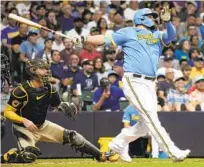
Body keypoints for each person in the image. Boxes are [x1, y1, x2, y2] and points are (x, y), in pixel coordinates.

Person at [72, 6, 190, 162]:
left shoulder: (156, 34)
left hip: (150, 83)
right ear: (141, 18)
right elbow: (104, 38)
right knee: (151, 118)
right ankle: (173, 151)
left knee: (145, 124)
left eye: (155, 17)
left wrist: (167, 22)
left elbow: (171, 36)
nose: (154, 19)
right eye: (151, 16)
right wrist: (83, 39)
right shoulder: (129, 31)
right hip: (134, 80)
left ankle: (117, 144)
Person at [1, 59, 117, 163]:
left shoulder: (50, 88)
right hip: (23, 128)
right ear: (33, 70)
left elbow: (57, 104)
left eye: (47, 68)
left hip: (42, 125)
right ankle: (10, 155)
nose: (47, 71)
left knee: (73, 136)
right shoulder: (21, 90)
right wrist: (24, 120)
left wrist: (65, 105)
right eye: (43, 69)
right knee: (28, 156)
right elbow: (7, 112)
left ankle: (100, 155)